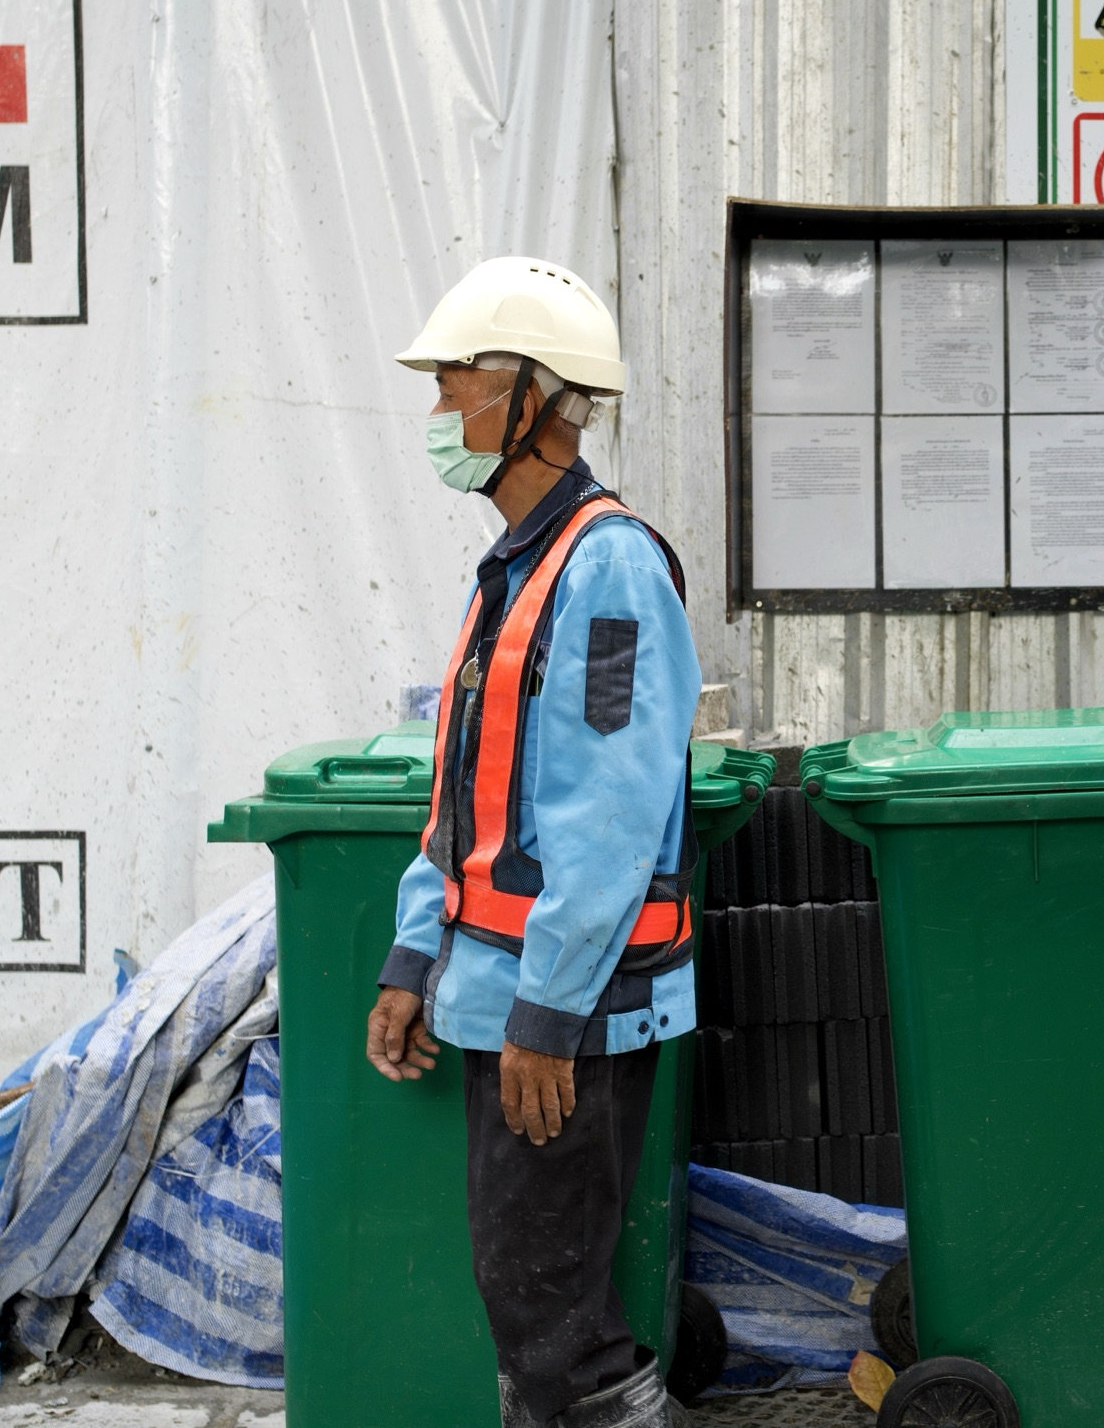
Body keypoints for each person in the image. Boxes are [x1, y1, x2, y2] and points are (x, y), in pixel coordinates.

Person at [364, 257, 701, 1428]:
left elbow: (609, 818)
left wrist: (549, 1012)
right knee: (528, 1297)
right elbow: (465, 804)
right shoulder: (512, 570)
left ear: (533, 398)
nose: (439, 412)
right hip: (501, 990)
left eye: (455, 382)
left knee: (551, 1312)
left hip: (565, 1010)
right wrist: (417, 959)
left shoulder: (604, 567)